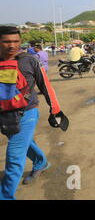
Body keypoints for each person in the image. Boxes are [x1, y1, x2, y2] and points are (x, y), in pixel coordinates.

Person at [0, 26, 69, 200]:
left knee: (14, 156)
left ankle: (5, 196)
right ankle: (41, 162)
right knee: (25, 142)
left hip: (27, 113)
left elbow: (45, 85)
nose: (12, 45)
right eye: (7, 41)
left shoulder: (29, 60)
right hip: (5, 114)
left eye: (16, 41)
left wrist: (56, 109)